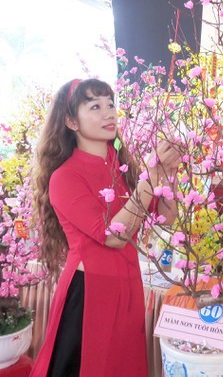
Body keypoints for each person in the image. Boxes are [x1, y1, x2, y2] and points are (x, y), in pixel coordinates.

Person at [30, 78, 181, 376]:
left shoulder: (122, 168)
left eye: (110, 104)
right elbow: (113, 238)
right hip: (89, 295)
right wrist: (150, 176)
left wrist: (167, 174)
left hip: (128, 288)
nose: (108, 113)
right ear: (72, 121)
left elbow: (167, 217)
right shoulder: (65, 177)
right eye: (95, 106)